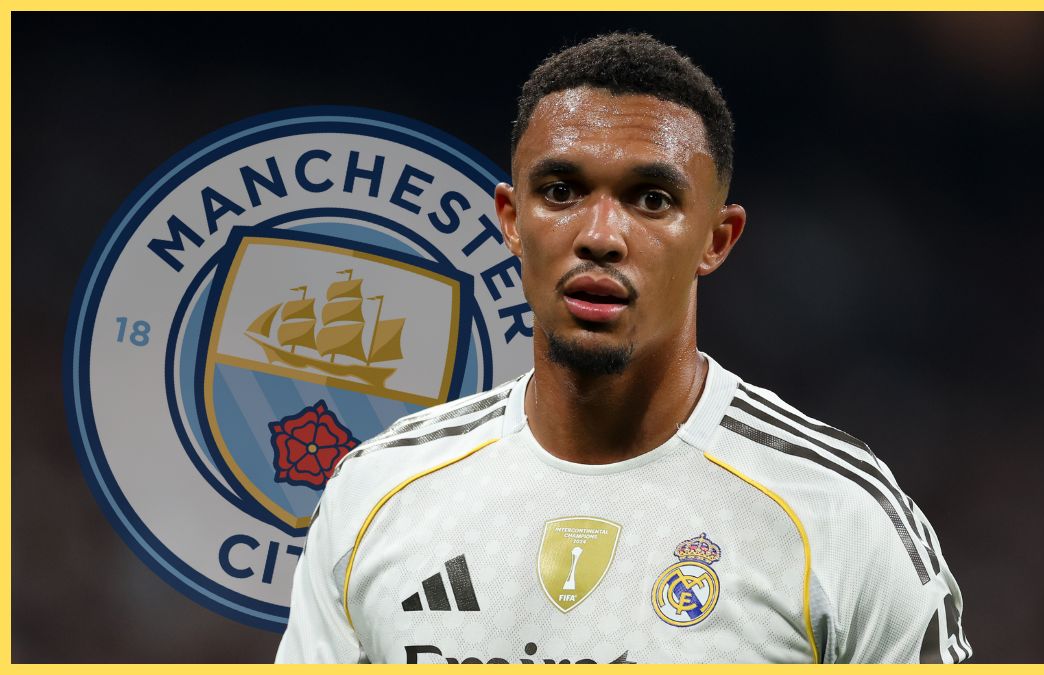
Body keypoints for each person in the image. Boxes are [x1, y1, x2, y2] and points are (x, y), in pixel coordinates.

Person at [276, 32, 970, 664]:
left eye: (651, 198)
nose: (601, 234)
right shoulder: (378, 495)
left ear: (716, 239)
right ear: (512, 221)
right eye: (561, 190)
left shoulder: (838, 517)